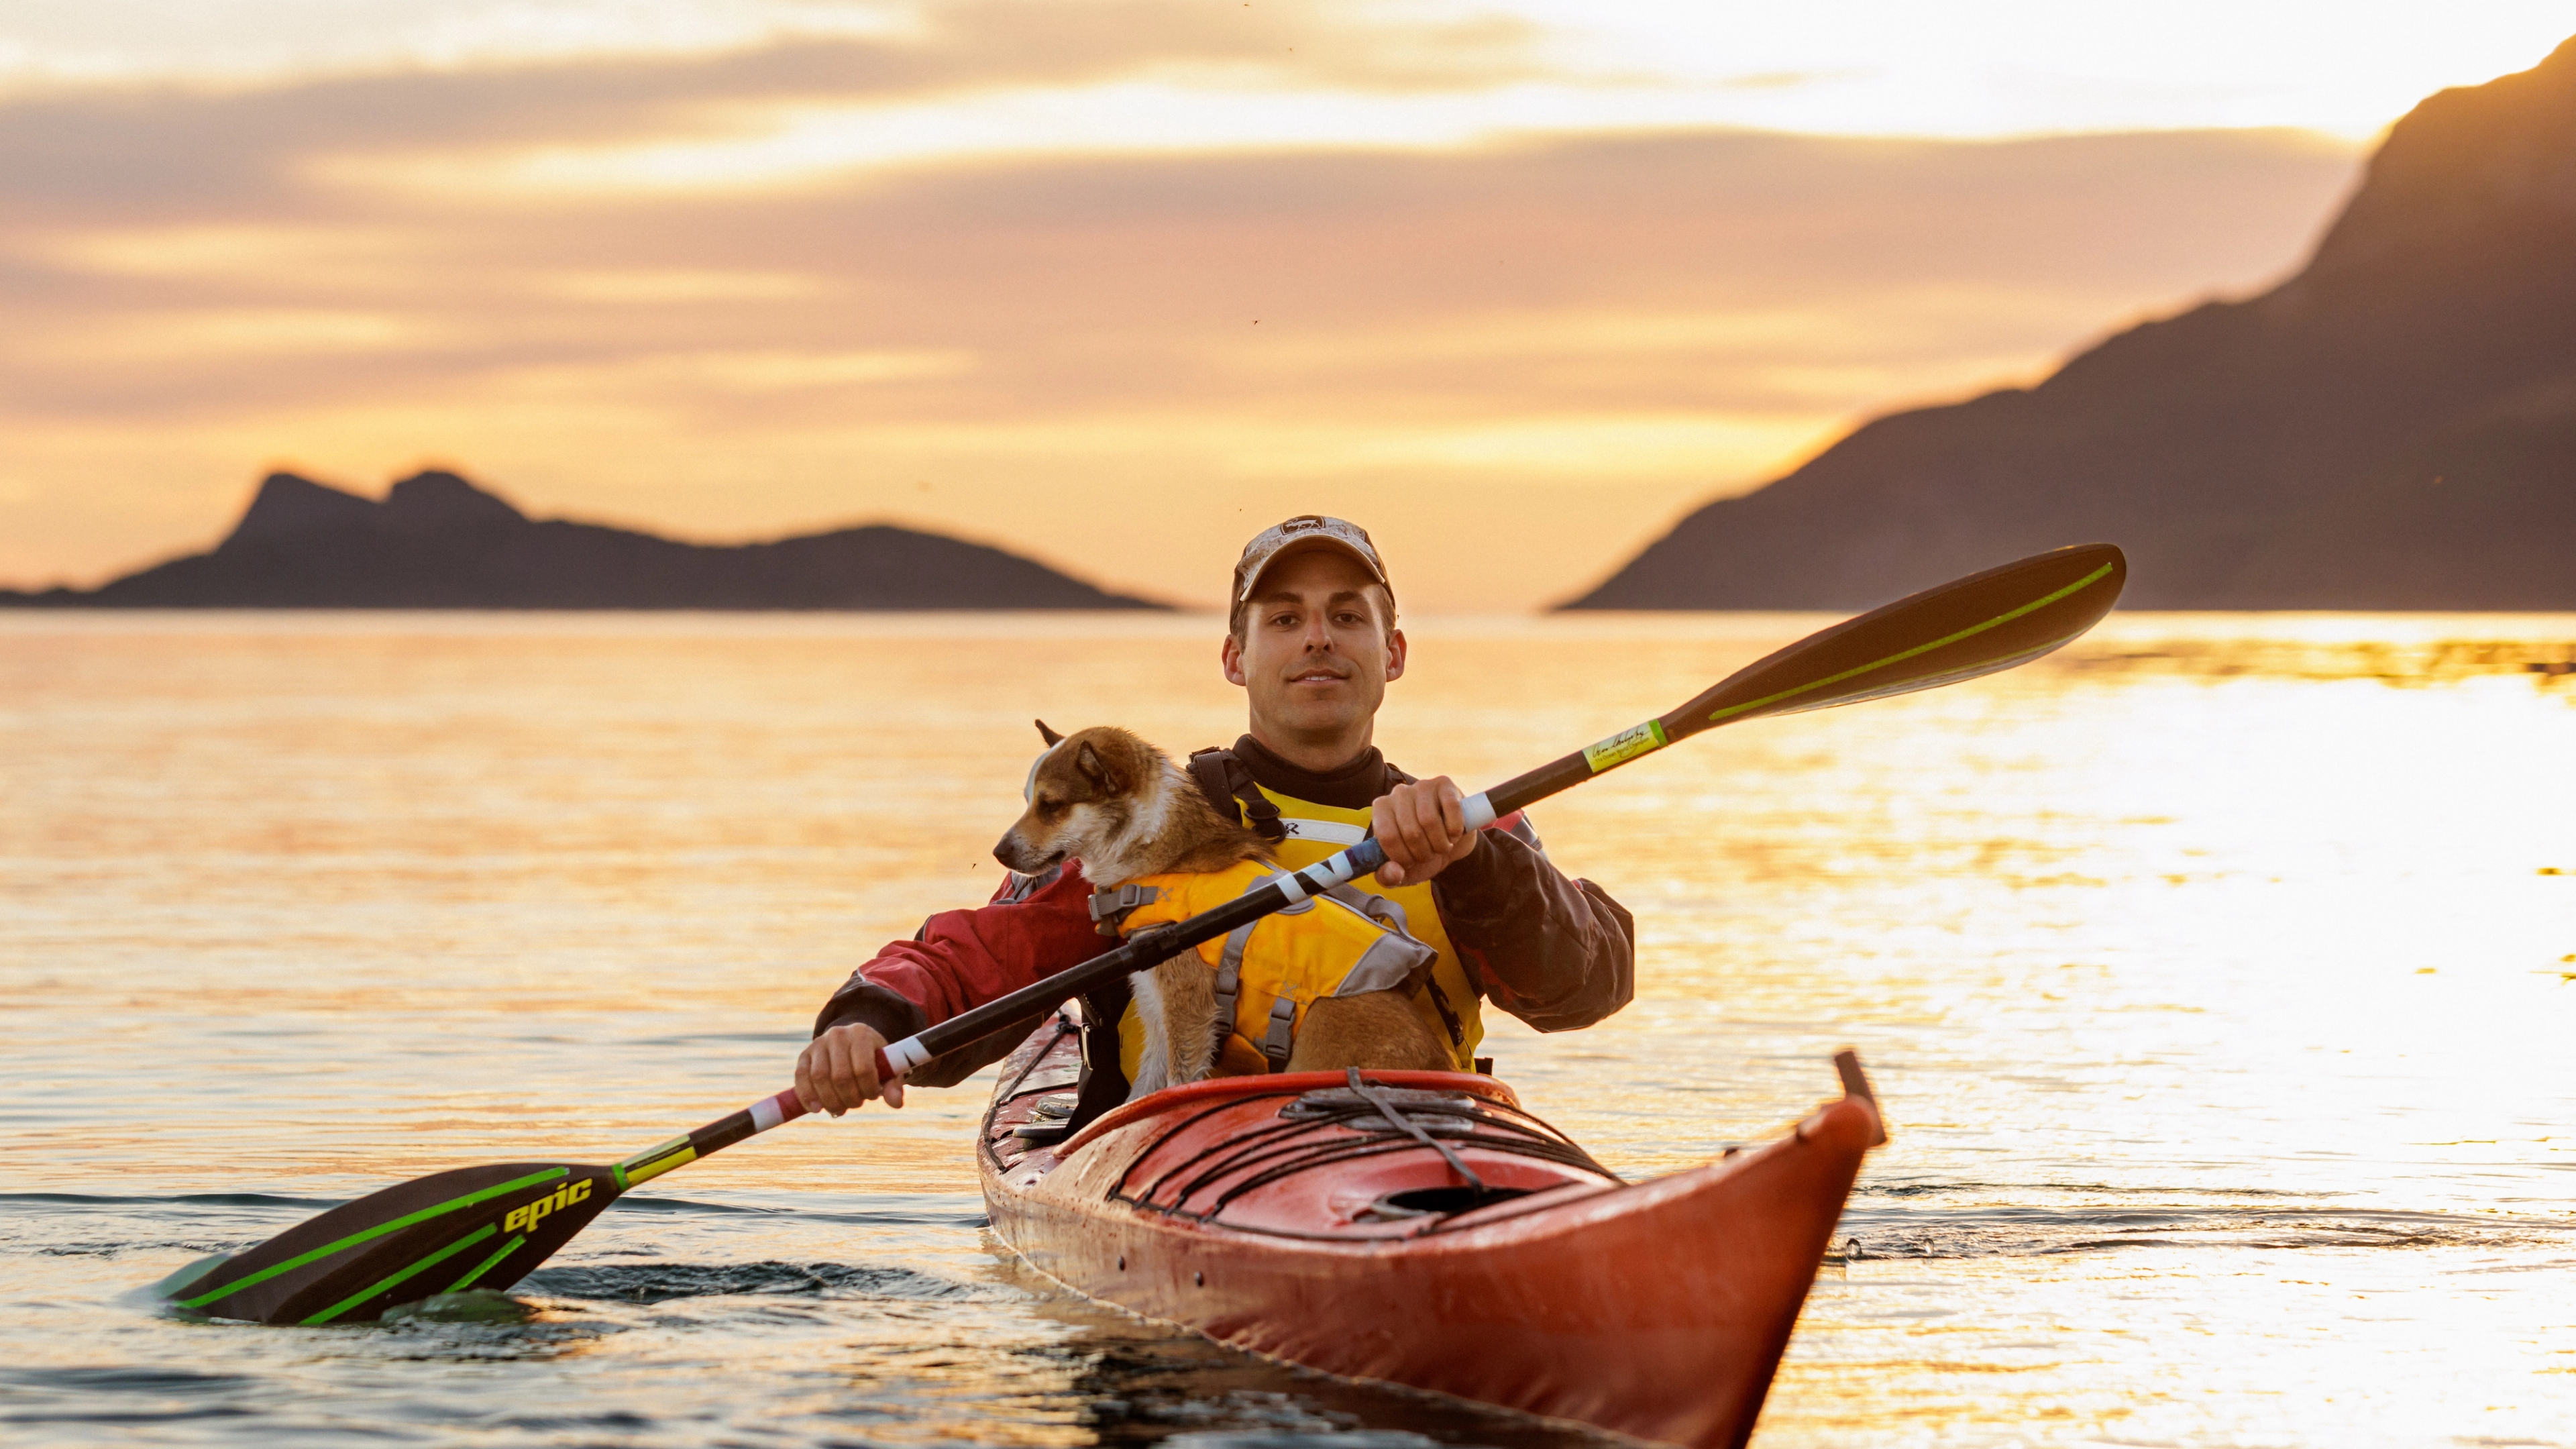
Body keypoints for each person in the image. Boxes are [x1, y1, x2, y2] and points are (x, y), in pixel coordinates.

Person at [794, 515, 1633, 1120]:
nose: (1317, 640)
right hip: (1178, 1163)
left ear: (1394, 655)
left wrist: (1474, 865)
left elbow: (1589, 987)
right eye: (1284, 620)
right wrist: (871, 1018)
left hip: (1419, 1145)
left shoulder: (1471, 830)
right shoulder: (1143, 827)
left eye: (1348, 616)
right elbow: (990, 953)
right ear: (1235, 659)